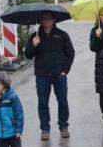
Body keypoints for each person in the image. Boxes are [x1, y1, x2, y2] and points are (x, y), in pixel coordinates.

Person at [24, 12, 75, 140]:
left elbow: (70, 53)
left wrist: (65, 70)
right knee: (43, 102)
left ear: (54, 20)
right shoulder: (35, 36)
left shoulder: (62, 35)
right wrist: (33, 44)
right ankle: (45, 129)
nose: (46, 20)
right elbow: (28, 55)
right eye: (44, 18)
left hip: (59, 74)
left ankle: (63, 126)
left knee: (62, 101)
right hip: (42, 75)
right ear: (41, 20)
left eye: (49, 18)